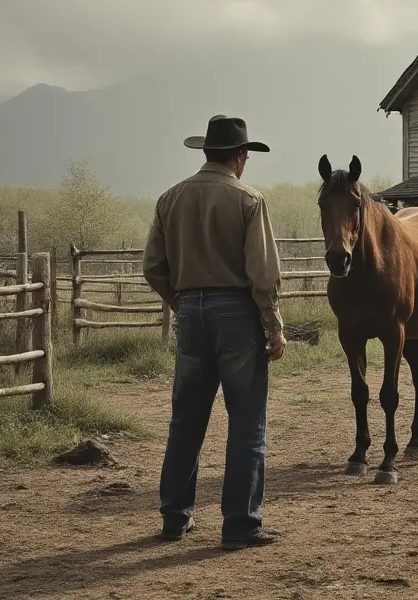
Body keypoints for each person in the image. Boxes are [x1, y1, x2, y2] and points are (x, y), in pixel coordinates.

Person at [142, 114, 287, 550]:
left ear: (206, 152)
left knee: (186, 419)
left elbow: (153, 267)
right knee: (246, 423)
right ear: (240, 157)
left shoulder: (170, 198)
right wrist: (273, 325)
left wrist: (183, 303)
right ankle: (240, 525)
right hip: (237, 314)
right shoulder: (248, 199)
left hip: (190, 312)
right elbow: (263, 274)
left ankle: (175, 517)